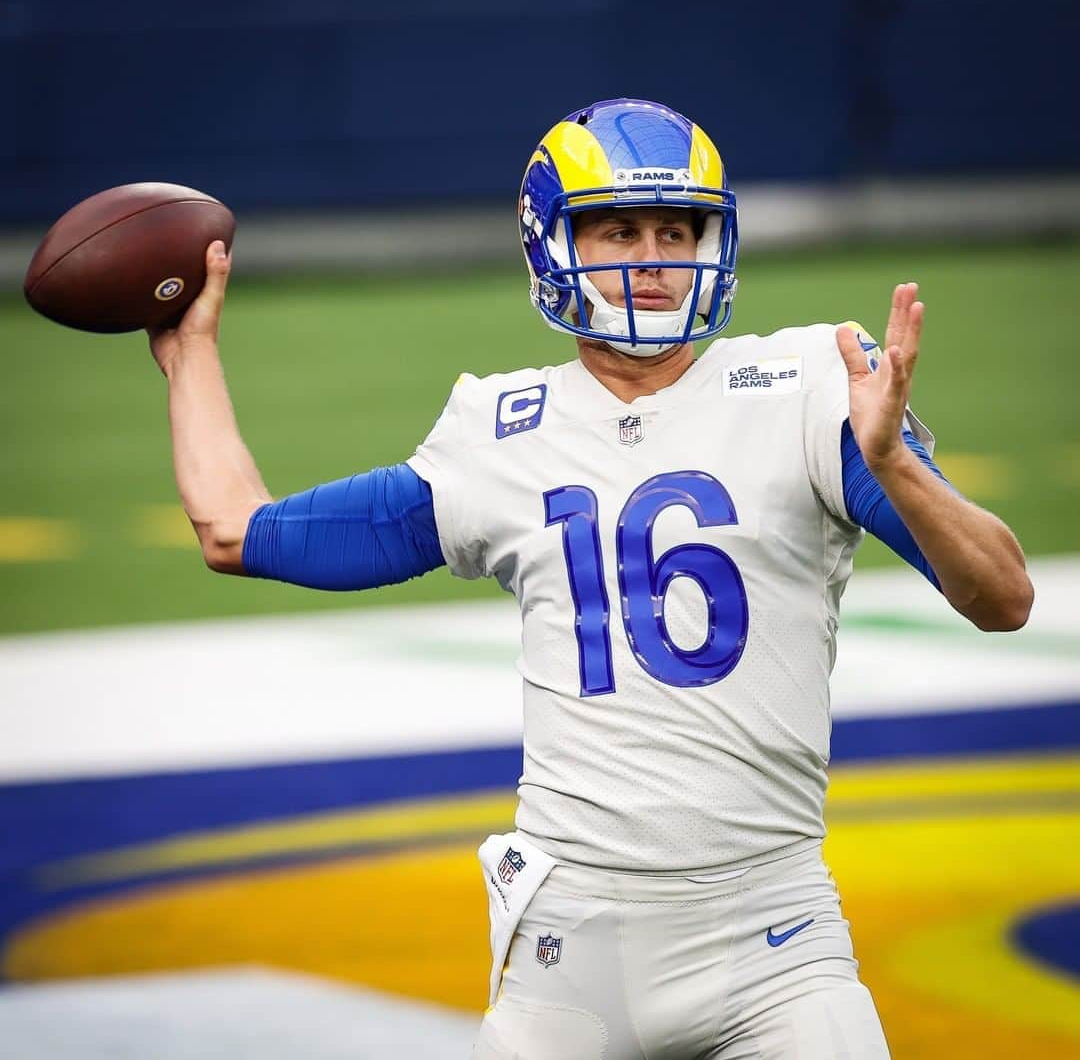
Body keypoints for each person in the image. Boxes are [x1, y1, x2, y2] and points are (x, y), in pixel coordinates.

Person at [149, 98, 1033, 1059]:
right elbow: (238, 533)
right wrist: (189, 352)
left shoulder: (809, 385)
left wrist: (895, 462)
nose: (653, 256)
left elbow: (1002, 599)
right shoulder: (497, 428)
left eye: (677, 229)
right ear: (553, 240)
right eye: (620, 228)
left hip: (775, 939)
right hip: (569, 948)